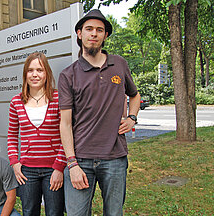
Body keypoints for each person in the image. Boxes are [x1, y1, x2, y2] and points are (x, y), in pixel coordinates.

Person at [58, 9, 141, 216]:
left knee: (114, 213)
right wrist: (72, 163)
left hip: (114, 157)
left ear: (105, 36)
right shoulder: (68, 75)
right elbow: (65, 123)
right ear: (79, 34)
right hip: (81, 159)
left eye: (99, 30)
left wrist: (132, 117)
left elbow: (135, 95)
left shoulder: (119, 64)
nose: (93, 33)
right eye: (89, 29)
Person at [7, 52, 66, 216]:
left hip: (52, 169)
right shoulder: (16, 102)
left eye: (39, 70)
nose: (35, 74)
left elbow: (66, 135)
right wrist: (15, 162)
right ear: (25, 74)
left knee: (54, 212)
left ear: (46, 73)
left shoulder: (58, 98)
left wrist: (59, 167)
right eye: (30, 70)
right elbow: (12, 136)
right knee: (29, 211)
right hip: (27, 171)